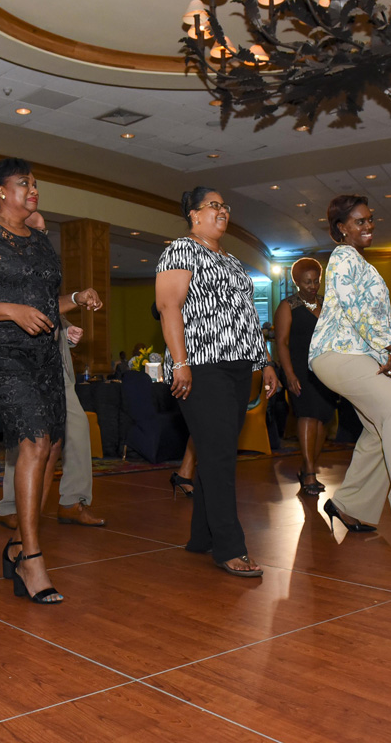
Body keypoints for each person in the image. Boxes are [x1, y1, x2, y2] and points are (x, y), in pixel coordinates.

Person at [0, 158, 102, 604]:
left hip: (45, 354)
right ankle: (32, 559)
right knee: (35, 441)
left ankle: (17, 545)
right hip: (2, 352)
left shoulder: (39, 241)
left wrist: (74, 300)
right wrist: (11, 311)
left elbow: (44, 302)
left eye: (35, 183)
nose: (34, 189)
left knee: (51, 447)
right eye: (24, 182)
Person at [155, 186, 279, 578]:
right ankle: (230, 546)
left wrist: (265, 361)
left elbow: (248, 315)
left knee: (216, 451)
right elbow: (168, 306)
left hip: (240, 366)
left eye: (225, 206)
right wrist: (180, 362)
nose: (222, 210)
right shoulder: (181, 250)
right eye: (213, 205)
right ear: (193, 214)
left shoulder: (232, 260)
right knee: (220, 455)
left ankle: (202, 536)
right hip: (202, 365)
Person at [308, 196, 391, 550]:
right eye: (360, 221)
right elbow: (355, 310)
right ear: (341, 228)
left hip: (358, 354)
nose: (369, 226)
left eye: (370, 219)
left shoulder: (359, 261)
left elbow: (369, 316)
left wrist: (382, 350)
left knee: (378, 432)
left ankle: (347, 506)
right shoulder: (343, 257)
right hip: (338, 353)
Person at [0, 209, 104, 530]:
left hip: (56, 364)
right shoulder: (5, 264)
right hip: (22, 364)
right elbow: (28, 308)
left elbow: (49, 308)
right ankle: (11, 506)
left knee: (77, 427)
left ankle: (73, 501)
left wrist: (66, 329)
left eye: (45, 232)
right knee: (25, 435)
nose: (42, 237)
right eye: (36, 229)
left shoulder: (44, 267)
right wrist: (76, 297)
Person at [273, 257, 338, 495]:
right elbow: (281, 343)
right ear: (297, 282)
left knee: (323, 419)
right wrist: (289, 374)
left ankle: (307, 467)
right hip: (300, 368)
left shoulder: (327, 304)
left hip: (326, 369)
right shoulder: (288, 306)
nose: (312, 286)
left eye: (316, 281)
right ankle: (310, 472)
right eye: (307, 282)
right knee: (308, 415)